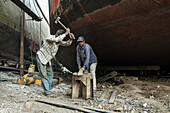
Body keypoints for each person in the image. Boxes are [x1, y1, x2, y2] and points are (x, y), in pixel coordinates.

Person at [36, 28, 74, 96]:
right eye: (60, 36)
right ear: (57, 34)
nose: (61, 38)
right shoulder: (50, 38)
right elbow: (57, 39)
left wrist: (70, 39)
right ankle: (47, 92)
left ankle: (47, 89)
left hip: (47, 59)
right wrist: (66, 33)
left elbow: (66, 44)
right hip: (41, 57)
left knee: (50, 75)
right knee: (44, 75)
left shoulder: (58, 42)